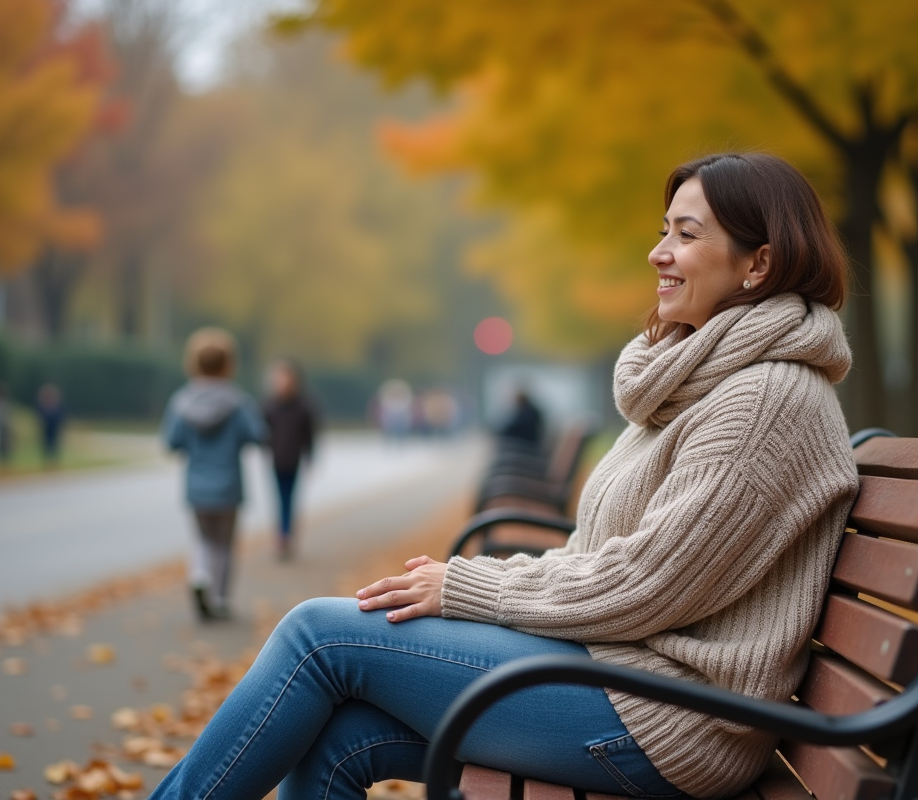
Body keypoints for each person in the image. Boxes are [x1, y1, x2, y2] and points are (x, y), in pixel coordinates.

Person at [146, 152, 859, 800]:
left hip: (673, 721)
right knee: (340, 736)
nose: (659, 252)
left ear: (757, 265)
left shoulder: (767, 399)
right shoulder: (706, 381)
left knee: (319, 638)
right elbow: (618, 566)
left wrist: (468, 585)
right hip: (618, 674)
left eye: (686, 234)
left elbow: (645, 581)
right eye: (663, 229)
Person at [162, 327, 267, 621]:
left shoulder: (181, 402)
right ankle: (219, 599)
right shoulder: (238, 402)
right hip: (229, 485)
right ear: (228, 364)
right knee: (225, 543)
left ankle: (199, 576)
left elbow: (171, 442)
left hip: (196, 484)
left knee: (202, 539)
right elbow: (258, 435)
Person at [261, 359, 318, 560]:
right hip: (276, 459)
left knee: (289, 499)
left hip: (293, 459)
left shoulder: (302, 406)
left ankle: (286, 535)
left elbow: (309, 434)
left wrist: (310, 456)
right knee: (279, 498)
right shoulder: (270, 405)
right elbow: (262, 430)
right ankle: (282, 535)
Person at [35, 383, 66, 466]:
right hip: (47, 428)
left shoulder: (56, 407)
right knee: (47, 445)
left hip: (54, 428)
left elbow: (61, 417)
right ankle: (48, 461)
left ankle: (53, 461)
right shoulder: (44, 406)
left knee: (53, 445)